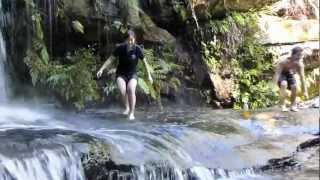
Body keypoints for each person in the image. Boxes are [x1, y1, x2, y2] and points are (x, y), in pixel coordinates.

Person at [97, 30, 153, 120]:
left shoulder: (138, 49)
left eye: (131, 40)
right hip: (121, 74)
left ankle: (131, 113)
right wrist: (101, 69)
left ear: (134, 39)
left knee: (130, 89)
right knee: (122, 91)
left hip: (132, 74)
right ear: (125, 40)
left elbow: (145, 63)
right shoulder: (120, 48)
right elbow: (110, 59)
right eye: (128, 40)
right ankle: (127, 107)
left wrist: (149, 75)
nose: (130, 42)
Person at [274, 47, 309, 112]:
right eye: (298, 55)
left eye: (301, 56)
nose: (299, 57)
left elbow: (302, 78)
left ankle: (292, 105)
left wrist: (305, 91)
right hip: (281, 73)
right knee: (283, 84)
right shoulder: (283, 62)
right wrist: (274, 85)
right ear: (292, 55)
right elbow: (277, 74)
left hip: (290, 73)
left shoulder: (300, 64)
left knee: (294, 86)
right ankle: (282, 105)